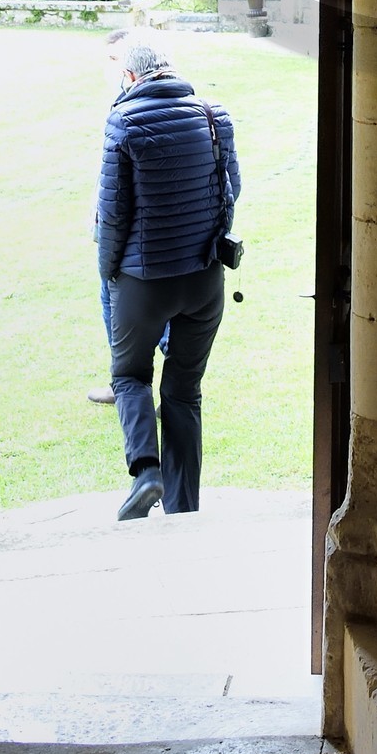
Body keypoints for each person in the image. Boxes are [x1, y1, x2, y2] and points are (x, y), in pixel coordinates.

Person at [95, 29, 240, 520]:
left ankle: (147, 473)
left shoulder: (123, 122)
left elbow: (113, 215)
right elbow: (231, 189)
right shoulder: (213, 116)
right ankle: (184, 509)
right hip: (204, 280)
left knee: (129, 375)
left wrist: (110, 273)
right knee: (183, 391)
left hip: (144, 282)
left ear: (131, 75)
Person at [86, 28, 129, 405]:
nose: (109, 67)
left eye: (115, 59)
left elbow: (116, 189)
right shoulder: (120, 103)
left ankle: (124, 385)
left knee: (114, 306)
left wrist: (107, 247)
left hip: (125, 241)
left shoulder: (126, 111)